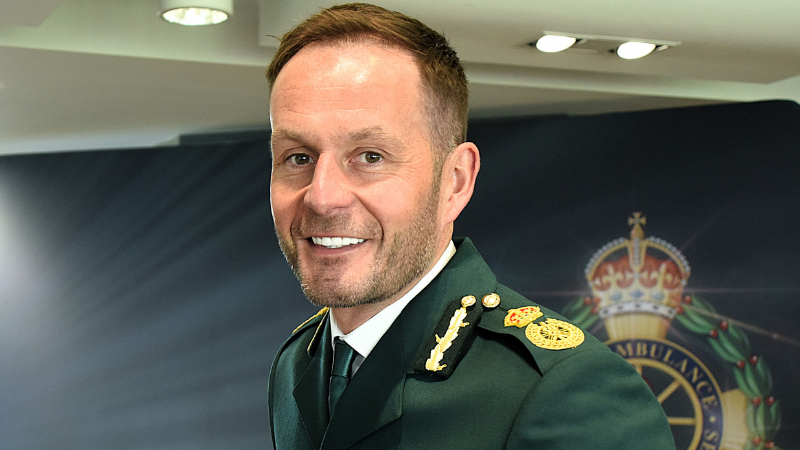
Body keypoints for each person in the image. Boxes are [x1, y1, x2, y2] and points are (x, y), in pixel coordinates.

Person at [266, 3, 675, 449]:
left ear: (455, 181)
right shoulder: (298, 362)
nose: (322, 196)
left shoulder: (570, 391)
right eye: (298, 158)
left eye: (370, 157)